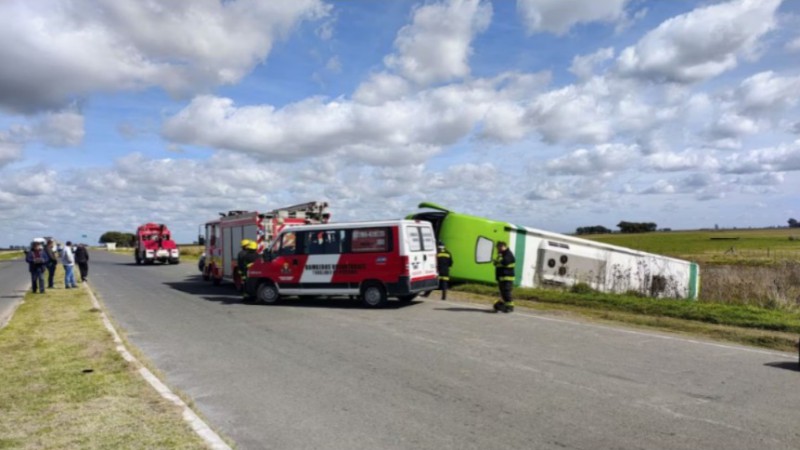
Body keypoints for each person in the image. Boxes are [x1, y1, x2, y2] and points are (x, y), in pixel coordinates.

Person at [492, 241, 516, 313]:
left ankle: (510, 307)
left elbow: (505, 262)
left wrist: (498, 261)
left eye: (499, 247)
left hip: (507, 278)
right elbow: (498, 264)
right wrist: (496, 261)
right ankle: (505, 305)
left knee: (506, 292)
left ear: (503, 246)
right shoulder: (501, 254)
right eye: (497, 247)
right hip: (502, 278)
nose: (498, 249)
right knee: (503, 293)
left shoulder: (508, 254)